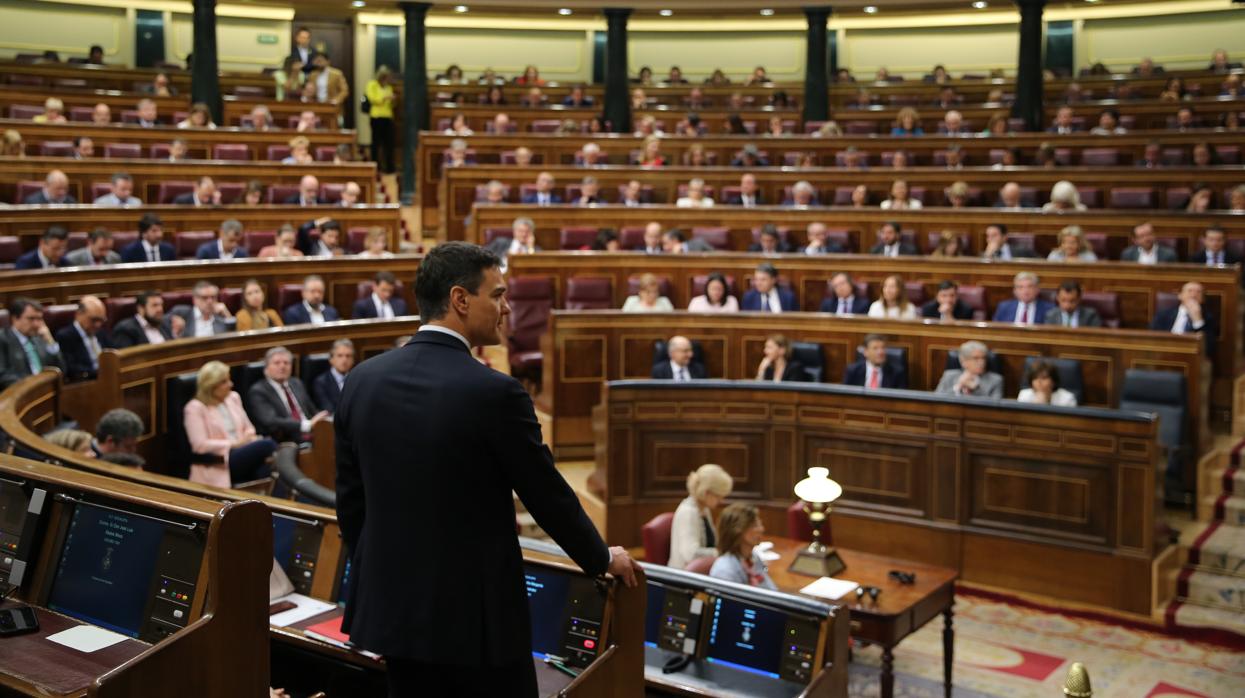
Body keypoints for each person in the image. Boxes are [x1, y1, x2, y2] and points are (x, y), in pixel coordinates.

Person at [334, 242, 635, 696]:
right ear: (460, 299)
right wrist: (599, 557)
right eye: (497, 295)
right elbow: (546, 494)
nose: (507, 307)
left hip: (392, 614)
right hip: (476, 626)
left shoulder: (362, 379)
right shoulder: (494, 392)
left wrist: (381, 586)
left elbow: (352, 502)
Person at [184, 361, 279, 488]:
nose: (231, 384)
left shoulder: (233, 397)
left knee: (268, 471)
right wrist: (235, 444)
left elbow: (249, 428)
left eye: (229, 380)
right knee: (268, 445)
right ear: (211, 386)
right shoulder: (195, 408)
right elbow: (199, 445)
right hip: (222, 460)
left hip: (244, 451)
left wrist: (247, 440)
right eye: (224, 382)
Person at [245, 346, 328, 444]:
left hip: (313, 434)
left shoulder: (296, 383)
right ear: (266, 368)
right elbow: (271, 422)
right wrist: (306, 425)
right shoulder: (258, 391)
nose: (282, 366)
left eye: (286, 363)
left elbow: (311, 411)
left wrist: (324, 419)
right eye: (277, 363)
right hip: (285, 441)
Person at [668, 464, 732, 570]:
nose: (721, 501)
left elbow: (712, 543)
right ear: (706, 492)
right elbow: (690, 555)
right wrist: (720, 553)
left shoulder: (704, 509)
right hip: (684, 579)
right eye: (718, 496)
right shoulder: (688, 513)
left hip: (702, 570)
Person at [0, 298, 67, 389]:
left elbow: (61, 369)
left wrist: (50, 341)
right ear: (15, 318)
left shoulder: (40, 337)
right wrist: (33, 385)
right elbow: (3, 376)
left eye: (39, 319)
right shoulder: (3, 339)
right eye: (31, 319)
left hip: (45, 393)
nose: (36, 324)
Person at [709, 503, 776, 590]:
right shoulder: (725, 570)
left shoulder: (753, 557)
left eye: (760, 524)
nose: (761, 529)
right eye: (755, 525)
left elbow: (771, 590)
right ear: (738, 531)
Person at [47, 295, 109, 382]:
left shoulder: (101, 332)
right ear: (79, 314)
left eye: (101, 320)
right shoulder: (65, 336)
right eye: (94, 320)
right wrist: (99, 372)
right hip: (85, 383)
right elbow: (71, 368)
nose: (98, 324)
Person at [1151, 282, 1217, 357]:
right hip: (1164, 354)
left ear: (1203, 299)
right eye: (1190, 291)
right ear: (1180, 295)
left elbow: (1209, 349)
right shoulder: (1163, 315)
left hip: (1191, 356)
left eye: (1198, 292)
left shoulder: (1208, 318)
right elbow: (1151, 338)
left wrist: (1198, 321)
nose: (1193, 295)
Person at [165, 281, 234, 338]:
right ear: (195, 300)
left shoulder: (220, 317)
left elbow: (232, 339)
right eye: (205, 298)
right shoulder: (182, 313)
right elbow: (161, 325)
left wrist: (227, 314)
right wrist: (177, 332)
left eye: (213, 297)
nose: (210, 301)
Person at [935, 340, 1003, 398]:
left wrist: (976, 389)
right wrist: (958, 386)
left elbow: (995, 407)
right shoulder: (949, 375)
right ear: (963, 361)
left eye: (983, 358)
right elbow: (937, 399)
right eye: (976, 358)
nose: (982, 362)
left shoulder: (996, 380)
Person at [112, 291, 176, 348]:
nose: (160, 309)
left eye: (161, 305)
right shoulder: (125, 329)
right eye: (155, 305)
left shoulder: (164, 323)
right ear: (141, 308)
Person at [843, 334, 908, 390]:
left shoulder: (897, 373)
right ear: (866, 352)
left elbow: (901, 400)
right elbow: (845, 396)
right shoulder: (853, 370)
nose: (880, 352)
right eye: (875, 348)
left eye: (883, 348)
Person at [366, 65, 396, 174]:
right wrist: (385, 98)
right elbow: (373, 99)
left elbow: (392, 104)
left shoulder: (388, 87)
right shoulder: (372, 85)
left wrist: (392, 100)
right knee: (376, 143)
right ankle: (375, 166)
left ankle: (389, 167)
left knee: (388, 143)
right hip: (376, 117)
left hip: (387, 116)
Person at [312, 339, 355, 414]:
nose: (344, 360)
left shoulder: (357, 379)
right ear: (331, 359)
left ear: (353, 360)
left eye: (348, 356)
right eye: (340, 356)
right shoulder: (321, 382)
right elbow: (328, 409)